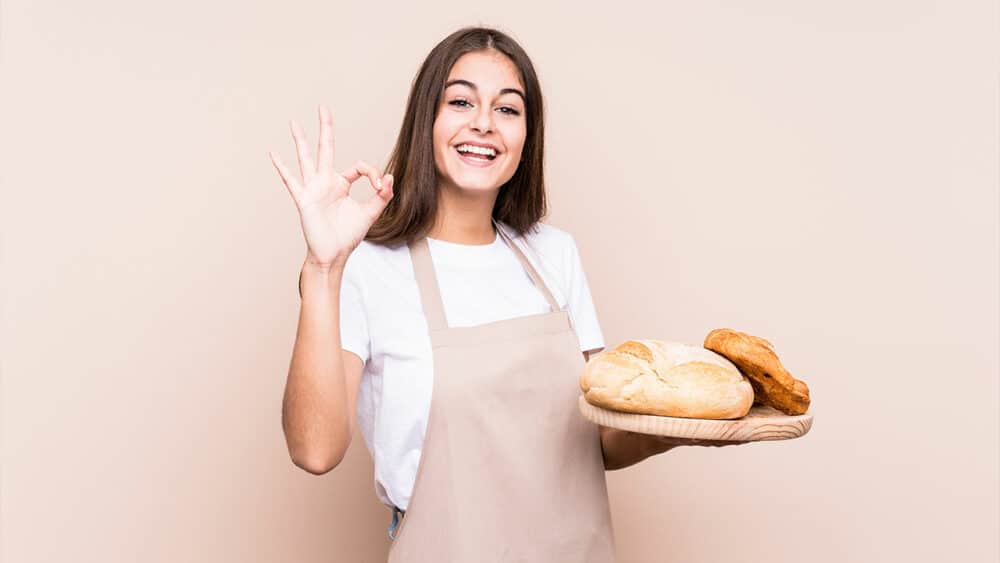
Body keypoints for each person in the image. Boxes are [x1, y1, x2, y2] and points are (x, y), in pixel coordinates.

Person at [270, 25, 747, 562]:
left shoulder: (555, 255)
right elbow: (315, 449)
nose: (483, 123)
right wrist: (322, 267)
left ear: (527, 137)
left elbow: (601, 438)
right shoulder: (369, 267)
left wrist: (677, 424)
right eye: (460, 101)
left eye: (508, 109)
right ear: (426, 120)